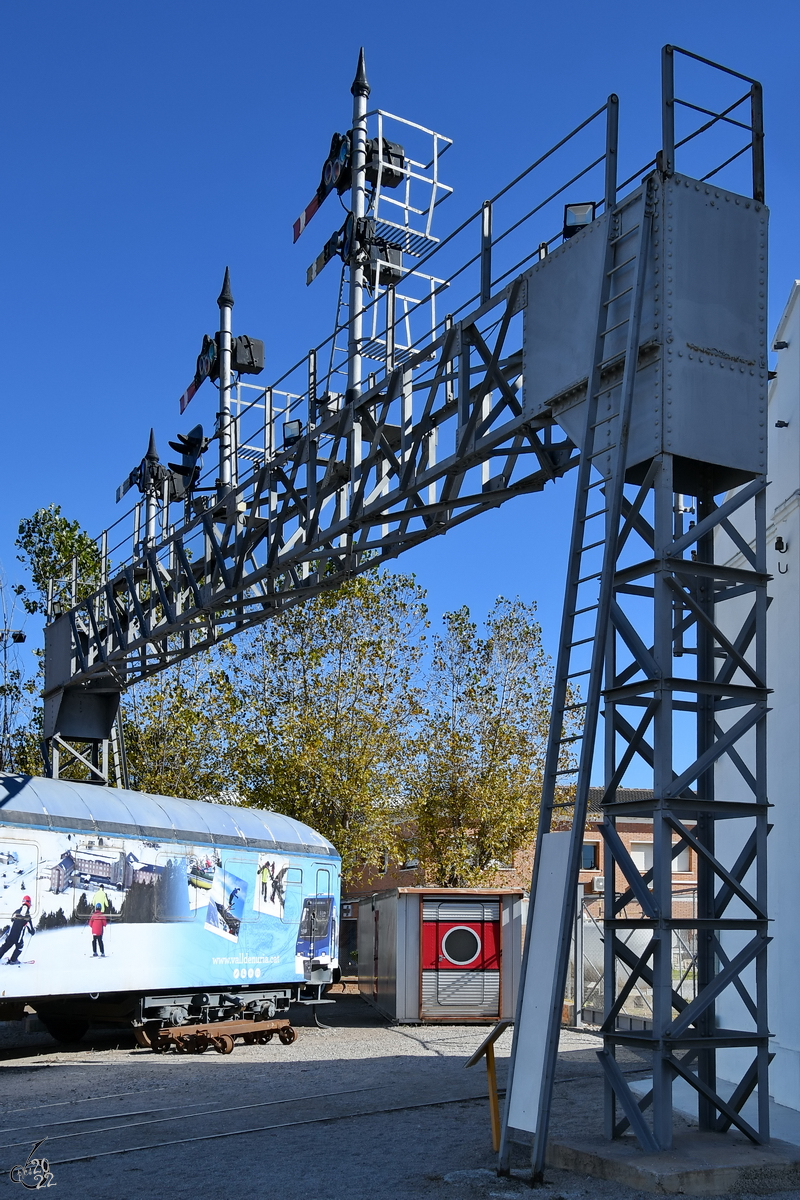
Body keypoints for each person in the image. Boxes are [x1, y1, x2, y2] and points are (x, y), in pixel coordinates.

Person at [0, 896, 35, 964]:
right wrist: (32, 931)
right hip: (18, 937)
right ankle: (13, 960)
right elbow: (31, 930)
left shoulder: (16, 912)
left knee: (6, 945)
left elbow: (12, 919)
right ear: (29, 904)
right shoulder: (28, 916)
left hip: (11, 934)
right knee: (20, 947)